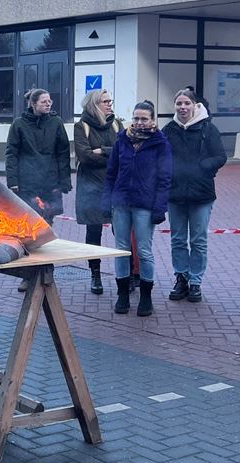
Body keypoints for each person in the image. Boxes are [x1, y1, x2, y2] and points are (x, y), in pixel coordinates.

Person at [102, 100, 172, 316]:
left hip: (145, 204)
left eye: (144, 119)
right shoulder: (122, 140)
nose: (140, 122)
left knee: (144, 250)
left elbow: (165, 178)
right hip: (121, 202)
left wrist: (160, 207)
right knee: (121, 249)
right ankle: (123, 295)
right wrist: (106, 201)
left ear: (152, 120)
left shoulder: (160, 144)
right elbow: (111, 173)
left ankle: (146, 297)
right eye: (136, 118)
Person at [162, 89, 226, 303]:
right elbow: (159, 156)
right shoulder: (169, 129)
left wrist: (204, 167)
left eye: (186, 103)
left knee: (198, 240)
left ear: (195, 105)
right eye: (179, 103)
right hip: (175, 194)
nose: (182, 107)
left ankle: (196, 282)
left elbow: (220, 156)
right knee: (178, 240)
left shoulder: (208, 128)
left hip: (202, 195)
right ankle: (181, 278)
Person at [6, 88, 71, 291]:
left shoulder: (56, 123)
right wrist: (13, 182)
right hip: (27, 183)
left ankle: (46, 271)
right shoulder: (19, 124)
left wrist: (64, 181)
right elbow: (11, 153)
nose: (48, 104)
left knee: (46, 229)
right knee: (28, 230)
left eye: (50, 101)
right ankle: (28, 274)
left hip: (50, 183)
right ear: (33, 104)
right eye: (44, 101)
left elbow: (63, 153)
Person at [74, 89, 123, 295]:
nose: (110, 104)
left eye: (110, 100)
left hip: (115, 186)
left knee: (121, 231)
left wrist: (101, 150)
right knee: (94, 232)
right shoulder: (81, 126)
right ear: (94, 104)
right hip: (91, 187)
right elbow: (84, 156)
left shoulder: (116, 124)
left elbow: (123, 152)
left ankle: (126, 275)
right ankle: (95, 274)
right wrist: (111, 153)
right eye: (105, 101)